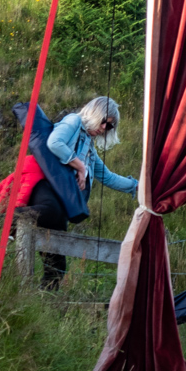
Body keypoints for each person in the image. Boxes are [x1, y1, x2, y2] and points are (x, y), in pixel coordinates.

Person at [35, 96, 137, 288]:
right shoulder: (74, 121)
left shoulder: (89, 147)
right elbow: (55, 142)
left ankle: (42, 298)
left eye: (110, 126)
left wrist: (137, 187)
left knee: (56, 267)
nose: (104, 128)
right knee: (42, 222)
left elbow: (108, 177)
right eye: (104, 121)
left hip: (61, 204)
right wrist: (80, 167)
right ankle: (6, 221)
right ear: (95, 113)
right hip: (48, 192)